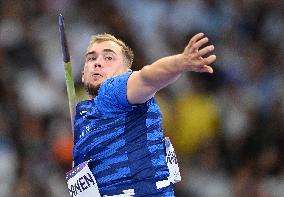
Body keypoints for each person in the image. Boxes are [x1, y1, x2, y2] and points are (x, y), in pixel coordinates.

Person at [72, 33, 216, 196]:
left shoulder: (114, 89)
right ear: (83, 72)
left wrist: (180, 62)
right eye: (91, 58)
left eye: (108, 58)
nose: (97, 63)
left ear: (125, 72)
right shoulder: (86, 116)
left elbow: (147, 77)